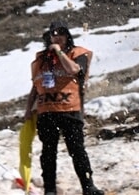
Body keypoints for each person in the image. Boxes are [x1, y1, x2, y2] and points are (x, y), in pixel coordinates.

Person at [24, 21, 103, 195]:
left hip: (70, 109)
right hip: (46, 111)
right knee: (48, 153)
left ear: (67, 36)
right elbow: (35, 86)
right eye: (53, 34)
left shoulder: (77, 53)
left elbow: (74, 69)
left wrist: (58, 52)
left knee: (77, 150)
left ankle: (88, 186)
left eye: (60, 33)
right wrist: (28, 109)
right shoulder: (41, 59)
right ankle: (50, 189)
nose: (56, 36)